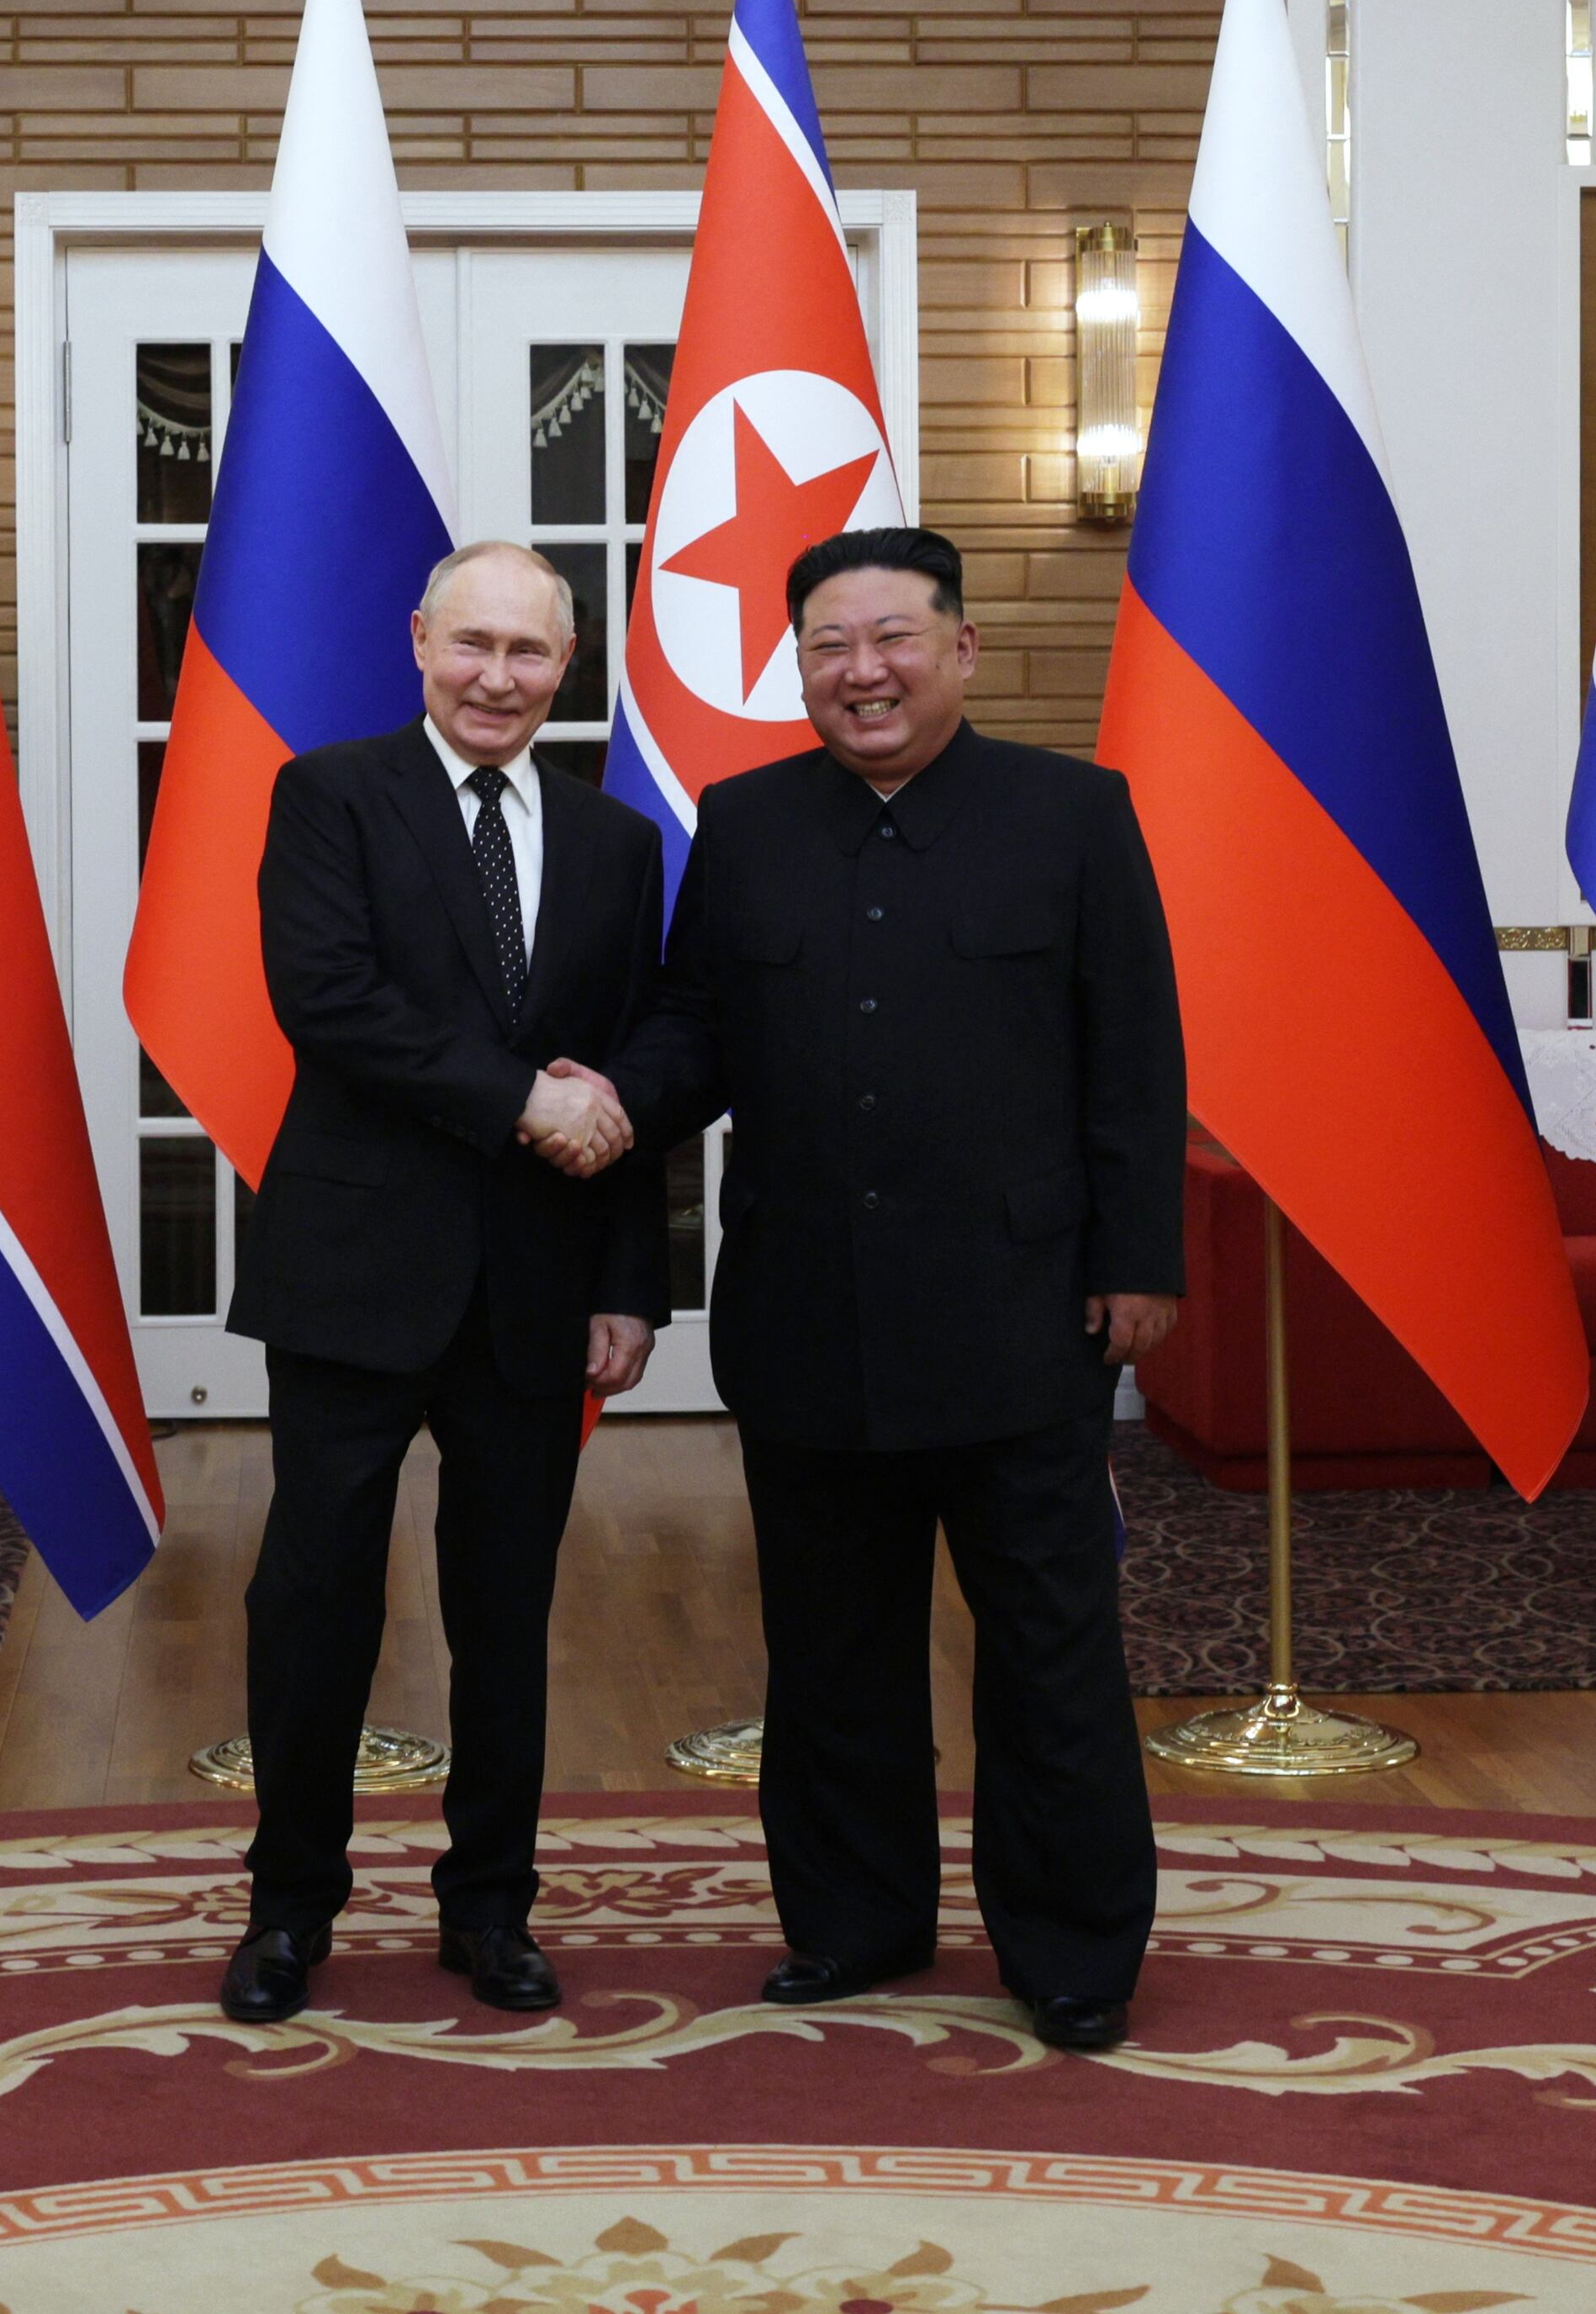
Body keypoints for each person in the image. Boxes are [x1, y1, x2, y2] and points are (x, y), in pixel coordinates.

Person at [592, 525, 1184, 2053]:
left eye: (893, 638)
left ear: (962, 651)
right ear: (799, 667)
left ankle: (1069, 1950)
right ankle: (854, 1925)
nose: (862, 671)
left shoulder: (1074, 814)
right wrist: (597, 1098)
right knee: (834, 1647)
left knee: (1049, 1648)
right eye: (829, 647)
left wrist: (1140, 1259)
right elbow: (697, 1033)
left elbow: (1134, 1057)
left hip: (1023, 1314)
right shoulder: (743, 822)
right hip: (805, 1313)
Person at [218, 541, 663, 2026]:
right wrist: (518, 1100)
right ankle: (292, 1909)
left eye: (528, 654)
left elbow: (617, 1076)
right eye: (471, 644)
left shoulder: (615, 842)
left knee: (508, 1610)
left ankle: (492, 1908)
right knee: (316, 1598)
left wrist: (630, 1279)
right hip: (355, 1274)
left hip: (537, 1291)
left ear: (566, 665)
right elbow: (329, 1003)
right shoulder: (331, 795)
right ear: (418, 641)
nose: (497, 678)